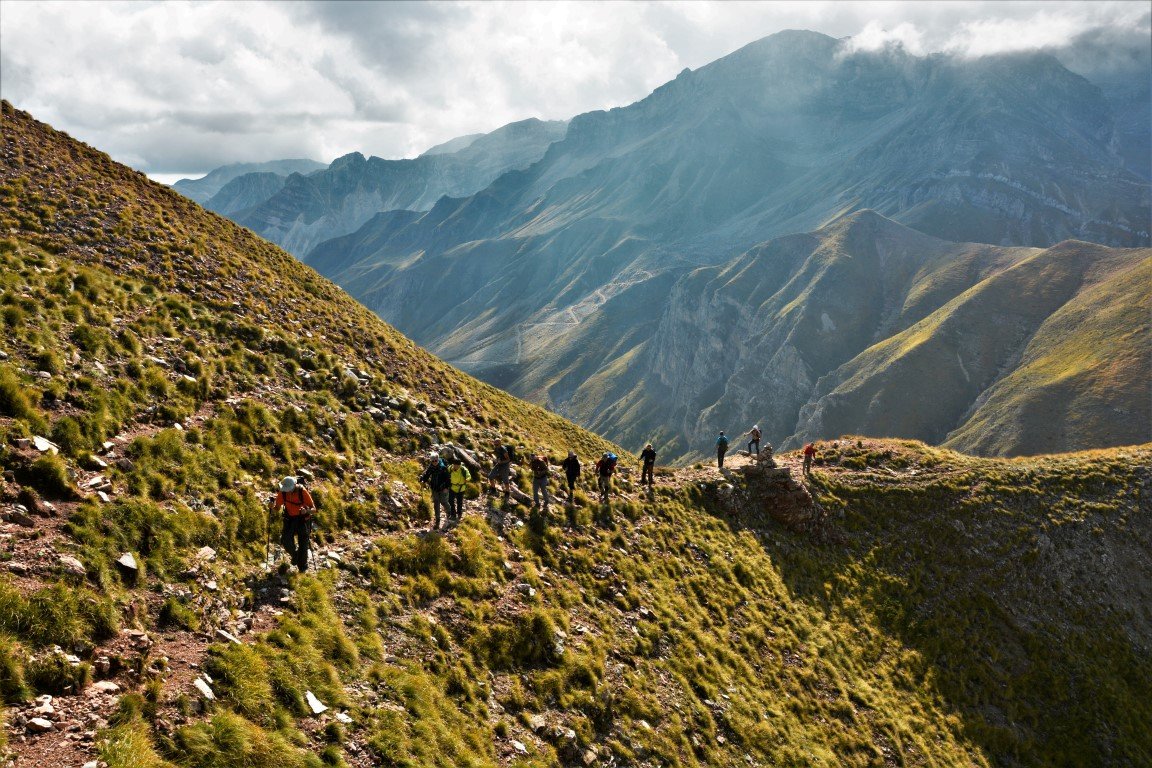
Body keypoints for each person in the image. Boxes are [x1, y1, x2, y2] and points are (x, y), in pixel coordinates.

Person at [270, 476, 315, 573]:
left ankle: (303, 568)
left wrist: (306, 510)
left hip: (303, 519)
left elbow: (314, 509)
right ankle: (295, 555)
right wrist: (271, 507)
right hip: (289, 519)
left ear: (294, 486)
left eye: (288, 489)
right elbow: (277, 509)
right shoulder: (283, 493)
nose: (287, 491)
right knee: (285, 540)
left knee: (303, 544)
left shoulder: (302, 492)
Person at [418, 451, 451, 530]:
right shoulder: (431, 467)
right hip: (434, 488)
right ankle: (437, 522)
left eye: (435, 460)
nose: (434, 462)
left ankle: (450, 513)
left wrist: (446, 487)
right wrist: (423, 480)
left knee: (443, 501)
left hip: (443, 488)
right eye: (432, 461)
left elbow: (448, 478)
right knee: (436, 504)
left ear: (438, 459)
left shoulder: (443, 467)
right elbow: (427, 475)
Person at [447, 456, 471, 524]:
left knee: (459, 501)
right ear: (453, 464)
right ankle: (453, 514)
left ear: (459, 465)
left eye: (457, 465)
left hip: (461, 488)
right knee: (450, 500)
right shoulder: (450, 468)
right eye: (454, 465)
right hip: (452, 487)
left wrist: (466, 479)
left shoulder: (463, 469)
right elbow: (446, 473)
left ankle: (459, 513)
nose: (455, 467)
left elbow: (469, 476)